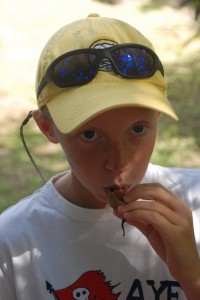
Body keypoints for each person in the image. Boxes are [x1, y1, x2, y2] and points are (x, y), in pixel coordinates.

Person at [0, 13, 200, 300]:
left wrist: (194, 278)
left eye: (138, 128)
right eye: (90, 135)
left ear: (158, 116)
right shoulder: (12, 245)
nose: (119, 163)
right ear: (47, 127)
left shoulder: (195, 202)